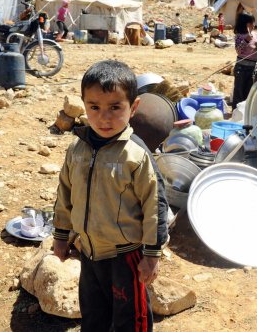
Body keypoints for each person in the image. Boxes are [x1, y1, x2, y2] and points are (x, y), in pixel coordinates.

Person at [52, 60, 169, 332]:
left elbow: (155, 206)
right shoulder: (77, 149)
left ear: (134, 108)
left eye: (115, 107)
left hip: (126, 256)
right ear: (84, 105)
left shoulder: (136, 155)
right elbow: (65, 194)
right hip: (89, 252)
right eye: (94, 107)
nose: (104, 117)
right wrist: (61, 236)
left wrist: (152, 254)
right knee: (93, 315)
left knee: (131, 320)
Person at [232, 11, 257, 108]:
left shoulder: (255, 34)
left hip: (252, 68)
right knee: (239, 92)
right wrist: (246, 40)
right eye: (251, 23)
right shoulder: (239, 36)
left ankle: (244, 112)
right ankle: (236, 112)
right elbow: (239, 51)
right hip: (241, 68)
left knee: (248, 92)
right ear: (245, 24)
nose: (253, 25)